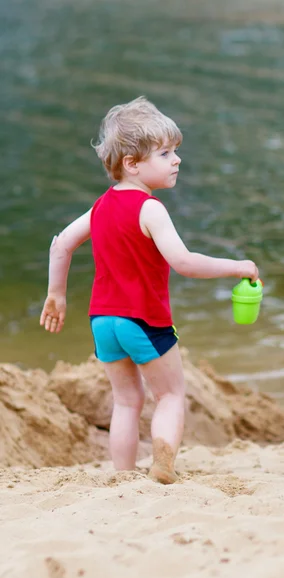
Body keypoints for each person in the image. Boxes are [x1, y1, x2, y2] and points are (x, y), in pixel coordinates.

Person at [40, 97, 259, 484]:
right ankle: (162, 465)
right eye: (165, 153)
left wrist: (57, 295)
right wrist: (237, 266)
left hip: (102, 320)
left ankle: (123, 476)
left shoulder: (100, 207)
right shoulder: (150, 209)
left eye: (175, 151)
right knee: (172, 395)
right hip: (143, 320)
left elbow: (61, 245)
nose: (176, 160)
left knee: (126, 400)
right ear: (132, 163)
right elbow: (185, 263)